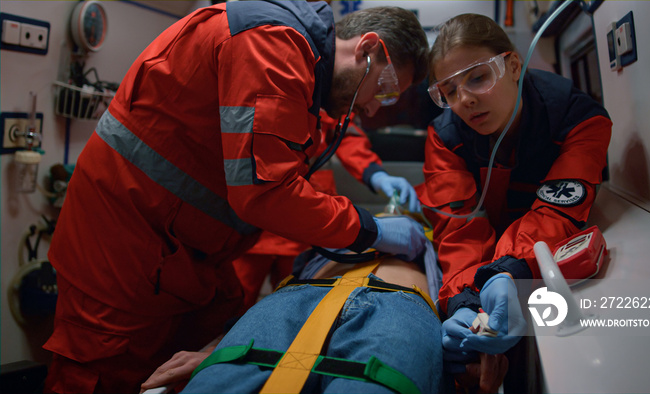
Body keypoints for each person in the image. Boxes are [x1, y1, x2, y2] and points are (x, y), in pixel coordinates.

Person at [42, 2, 430, 393]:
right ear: (366, 49)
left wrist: (372, 177)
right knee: (102, 374)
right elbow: (267, 192)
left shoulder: (306, 76)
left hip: (187, 253)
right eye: (384, 89)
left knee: (201, 363)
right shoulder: (273, 45)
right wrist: (369, 229)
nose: (375, 106)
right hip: (123, 250)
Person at [416, 13, 612, 379]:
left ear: (513, 65)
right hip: (491, 262)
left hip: (539, 249)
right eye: (449, 90)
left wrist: (507, 271)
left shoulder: (577, 118)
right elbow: (458, 230)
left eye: (478, 77)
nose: (465, 100)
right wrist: (463, 301)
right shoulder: (445, 137)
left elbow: (556, 213)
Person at [141, 218, 450, 394]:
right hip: (299, 295)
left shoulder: (436, 242)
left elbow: (464, 281)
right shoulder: (321, 249)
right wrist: (217, 349)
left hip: (395, 303)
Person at [234, 109, 420, 310]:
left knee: (296, 304)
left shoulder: (323, 93)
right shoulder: (285, 88)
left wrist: (374, 173)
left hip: (310, 223)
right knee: (235, 303)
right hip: (260, 225)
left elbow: (345, 133)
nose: (376, 104)